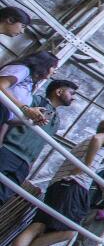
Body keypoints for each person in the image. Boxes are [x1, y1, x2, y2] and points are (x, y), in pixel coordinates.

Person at [7, 119, 104, 246]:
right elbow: (97, 138)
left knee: (38, 225)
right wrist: (86, 166)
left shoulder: (85, 142)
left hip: (58, 185)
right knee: (68, 232)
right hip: (74, 185)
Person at [0, 77, 73, 206]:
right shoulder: (36, 101)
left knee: (2, 197)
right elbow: (8, 117)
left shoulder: (56, 121)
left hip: (24, 164)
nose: (73, 98)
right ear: (59, 91)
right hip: (8, 151)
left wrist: (30, 165)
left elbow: (41, 144)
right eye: (71, 93)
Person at [0, 50, 57, 133]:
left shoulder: (30, 84)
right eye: (54, 67)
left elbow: (9, 118)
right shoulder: (23, 70)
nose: (54, 72)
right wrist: (26, 108)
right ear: (44, 65)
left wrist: (32, 118)